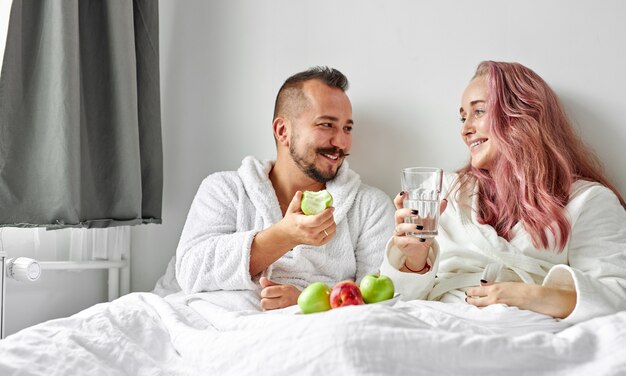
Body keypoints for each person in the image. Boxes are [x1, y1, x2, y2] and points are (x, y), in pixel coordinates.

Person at [381, 60, 626, 323]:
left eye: (478, 112)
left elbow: (617, 296)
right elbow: (397, 298)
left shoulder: (588, 201)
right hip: (440, 319)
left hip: (523, 327)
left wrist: (529, 296)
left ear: (522, 113)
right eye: (463, 117)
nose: (465, 130)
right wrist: (414, 260)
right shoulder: (447, 193)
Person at [176, 66, 395, 310]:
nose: (342, 142)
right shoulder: (225, 189)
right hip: (228, 326)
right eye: (326, 125)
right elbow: (190, 270)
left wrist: (307, 300)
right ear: (283, 131)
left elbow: (379, 298)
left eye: (347, 128)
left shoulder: (369, 206)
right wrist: (283, 235)